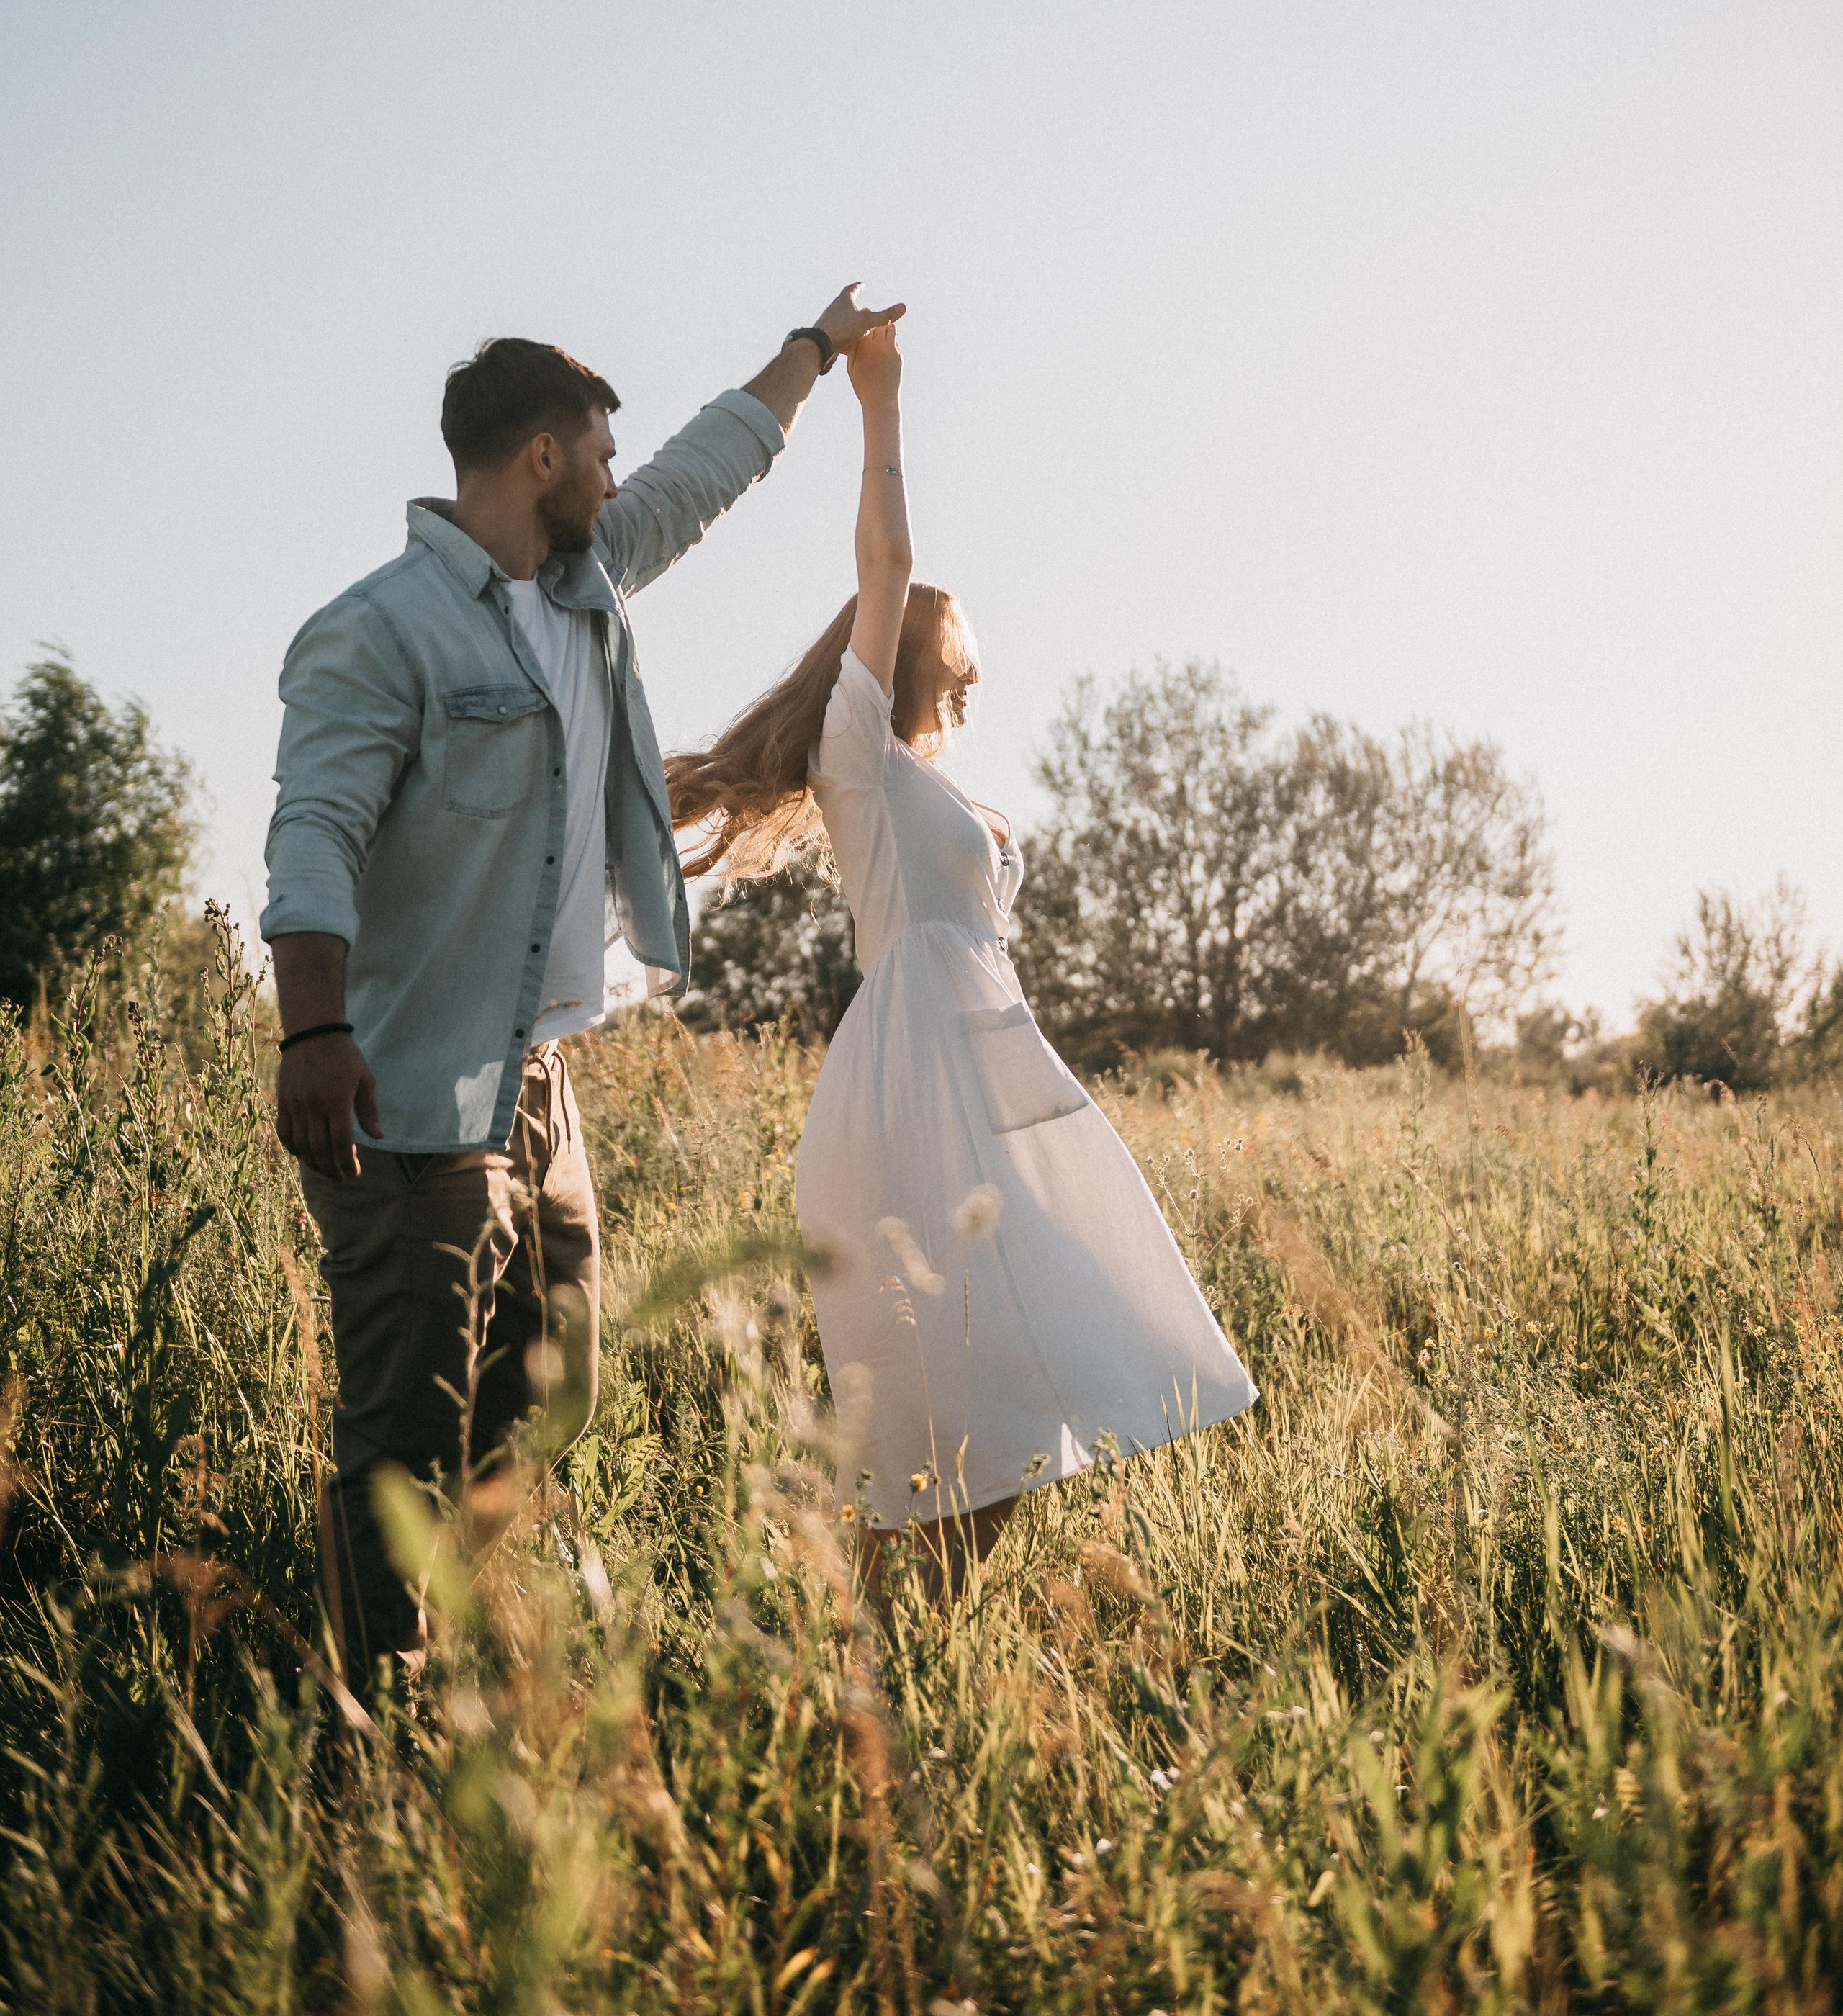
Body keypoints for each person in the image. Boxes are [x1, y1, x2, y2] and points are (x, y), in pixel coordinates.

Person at [263, 283, 901, 1681]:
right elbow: (311, 835)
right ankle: (368, 1719)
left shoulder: (585, 578)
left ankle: (440, 1640)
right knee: (405, 1430)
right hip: (410, 1090)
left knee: (551, 1384)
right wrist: (311, 1026)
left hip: (536, 1079)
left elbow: (702, 469)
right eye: (596, 454)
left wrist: (812, 352)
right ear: (538, 458)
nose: (618, 479)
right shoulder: (377, 633)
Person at [667, 323, 1257, 1593]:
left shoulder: (934, 790)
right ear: (908, 653)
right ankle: (872, 1692)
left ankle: (893, 1679)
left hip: (983, 1097)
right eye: (959, 651)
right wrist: (879, 401)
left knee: (1013, 1432)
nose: (976, 672)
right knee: (952, 1441)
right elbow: (889, 556)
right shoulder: (857, 760)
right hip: (911, 1100)